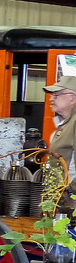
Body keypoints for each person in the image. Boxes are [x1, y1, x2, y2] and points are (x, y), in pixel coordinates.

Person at [44, 74, 76, 211]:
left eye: (56, 95)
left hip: (71, 203)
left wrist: (68, 192)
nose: (51, 99)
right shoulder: (64, 124)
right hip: (62, 202)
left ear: (72, 98)